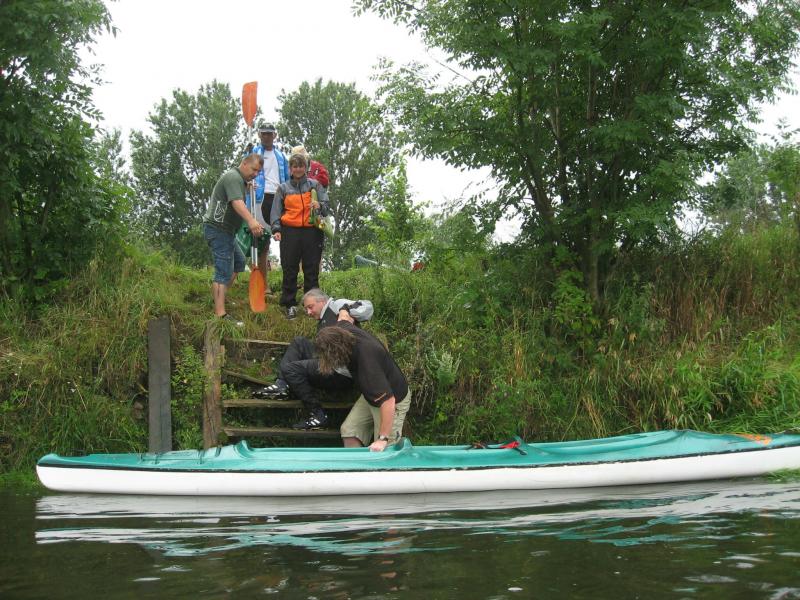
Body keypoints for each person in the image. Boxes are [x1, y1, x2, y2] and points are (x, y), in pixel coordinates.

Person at [254, 288, 374, 430]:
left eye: (310, 307)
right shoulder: (323, 320)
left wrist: (344, 310)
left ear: (322, 301)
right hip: (329, 362)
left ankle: (318, 415)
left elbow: (368, 306)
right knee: (299, 342)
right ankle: (281, 385)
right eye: (306, 309)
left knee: (291, 369)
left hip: (342, 373)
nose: (308, 312)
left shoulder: (336, 305)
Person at [314, 323, 411, 452]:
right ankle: (356, 464)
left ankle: (385, 461)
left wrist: (382, 439)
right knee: (350, 432)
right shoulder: (344, 329)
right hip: (372, 394)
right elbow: (344, 316)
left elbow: (388, 401)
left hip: (393, 399)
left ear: (335, 351)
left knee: (385, 449)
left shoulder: (367, 364)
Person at [203, 154, 264, 324]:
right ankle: (220, 315)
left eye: (258, 172)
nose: (255, 174)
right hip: (218, 229)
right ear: (244, 163)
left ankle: (220, 298)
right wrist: (251, 221)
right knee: (223, 271)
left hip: (228, 231)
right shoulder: (233, 177)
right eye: (253, 169)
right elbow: (237, 202)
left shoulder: (240, 180)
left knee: (239, 263)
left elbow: (239, 191)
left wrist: (247, 185)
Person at [270, 151, 330, 319]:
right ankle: (289, 304)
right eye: (295, 166)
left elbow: (326, 207)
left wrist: (319, 205)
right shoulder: (283, 188)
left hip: (312, 231)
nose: (298, 169)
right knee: (290, 268)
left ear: (306, 167)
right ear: (290, 169)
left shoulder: (315, 185)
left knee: (311, 269)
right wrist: (276, 229)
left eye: (301, 166)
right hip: (290, 231)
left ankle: (313, 306)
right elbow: (276, 211)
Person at [247, 123, 289, 293]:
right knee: (261, 241)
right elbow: (245, 171)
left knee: (284, 239)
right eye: (263, 133)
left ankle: (288, 283)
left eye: (269, 134)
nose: (266, 136)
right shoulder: (254, 152)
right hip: (259, 198)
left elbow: (287, 178)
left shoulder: (281, 156)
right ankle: (263, 284)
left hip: (278, 198)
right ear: (259, 135)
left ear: (274, 136)